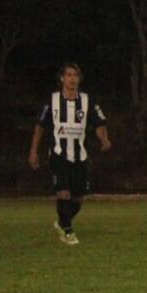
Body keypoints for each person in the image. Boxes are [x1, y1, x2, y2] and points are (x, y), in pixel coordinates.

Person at [28, 63, 111, 245]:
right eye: (69, 75)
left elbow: (99, 123)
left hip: (80, 155)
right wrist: (33, 150)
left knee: (78, 198)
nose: (72, 79)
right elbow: (40, 126)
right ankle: (68, 231)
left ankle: (62, 222)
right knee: (63, 193)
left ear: (79, 79)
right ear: (62, 78)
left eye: (75, 75)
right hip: (58, 153)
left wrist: (103, 138)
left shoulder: (88, 101)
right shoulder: (52, 100)